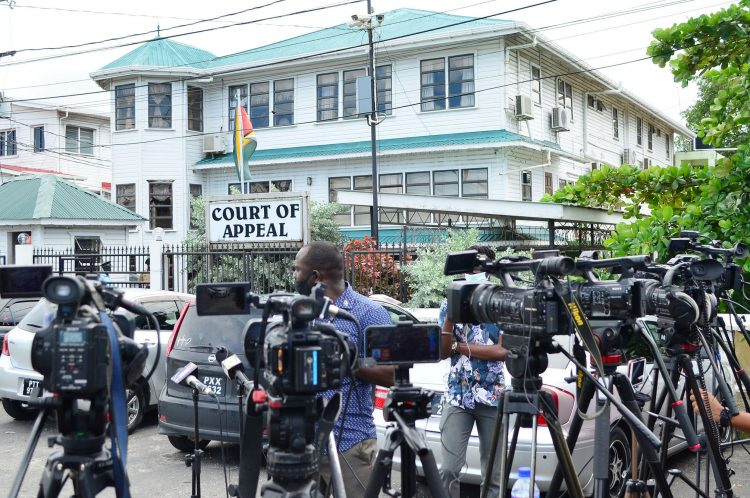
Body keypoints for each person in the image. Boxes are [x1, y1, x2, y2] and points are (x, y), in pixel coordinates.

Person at [292, 241, 394, 496]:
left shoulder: (370, 313)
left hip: (351, 442)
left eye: (297, 270)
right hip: (303, 443)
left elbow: (392, 374)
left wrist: (348, 362)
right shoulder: (301, 312)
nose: (294, 276)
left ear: (315, 277)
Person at [438, 245, 508, 498]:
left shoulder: (500, 302)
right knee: (448, 469)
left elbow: (501, 352)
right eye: (469, 268)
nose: (473, 272)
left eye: (478, 268)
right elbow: (443, 351)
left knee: (493, 474)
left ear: (488, 271)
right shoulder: (450, 302)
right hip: (458, 396)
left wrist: (460, 346)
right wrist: (452, 313)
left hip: (492, 396)